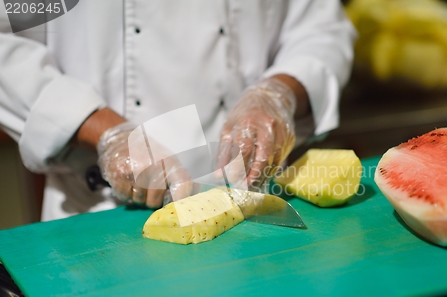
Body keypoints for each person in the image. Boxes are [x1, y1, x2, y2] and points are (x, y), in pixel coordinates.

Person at [0, 0, 356, 221]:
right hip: (101, 210)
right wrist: (105, 132)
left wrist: (278, 91)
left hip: (252, 195)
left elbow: (321, 28)